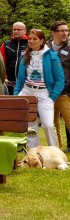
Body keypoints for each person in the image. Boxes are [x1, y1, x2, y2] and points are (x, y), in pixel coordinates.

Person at [15, 28, 64, 148]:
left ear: (41, 41)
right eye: (30, 39)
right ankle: (33, 153)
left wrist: (52, 97)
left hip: (44, 93)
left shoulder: (51, 56)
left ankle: (54, 152)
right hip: (27, 91)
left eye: (34, 39)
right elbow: (20, 79)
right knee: (30, 126)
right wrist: (16, 94)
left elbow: (60, 79)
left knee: (48, 124)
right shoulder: (25, 56)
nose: (31, 41)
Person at [47, 21, 70, 150]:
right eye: (61, 30)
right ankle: (56, 149)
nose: (65, 33)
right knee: (52, 124)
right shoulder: (45, 48)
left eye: (66, 31)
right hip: (48, 93)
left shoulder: (69, 47)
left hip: (65, 92)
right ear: (53, 33)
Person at [0, 22, 28, 95]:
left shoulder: (29, 44)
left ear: (25, 31)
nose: (16, 31)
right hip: (9, 82)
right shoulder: (6, 44)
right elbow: (1, 63)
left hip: (26, 82)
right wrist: (4, 77)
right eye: (14, 29)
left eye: (18, 29)